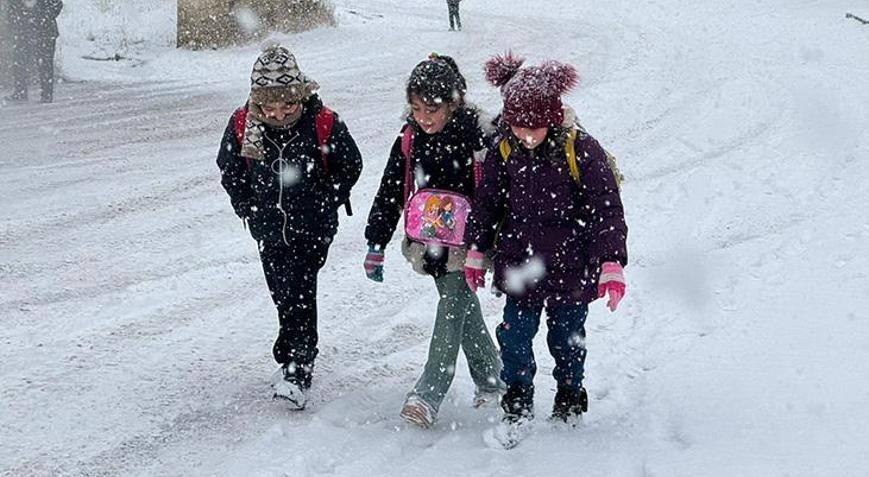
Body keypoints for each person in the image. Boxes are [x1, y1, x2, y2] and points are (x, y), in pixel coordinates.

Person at [464, 53, 629, 431]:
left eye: (534, 127)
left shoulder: (582, 150)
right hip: (519, 266)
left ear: (552, 119)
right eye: (518, 126)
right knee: (515, 339)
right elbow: (487, 202)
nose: (525, 135)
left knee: (567, 339)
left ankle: (570, 396)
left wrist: (611, 262)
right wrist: (476, 250)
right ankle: (518, 398)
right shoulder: (504, 149)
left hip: (572, 269)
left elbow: (606, 208)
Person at [216, 45, 362, 410]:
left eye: (287, 106)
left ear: (300, 96)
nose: (278, 114)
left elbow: (352, 164)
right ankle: (290, 351)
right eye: (269, 108)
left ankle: (299, 365)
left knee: (299, 287)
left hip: (312, 227)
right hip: (267, 227)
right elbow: (229, 169)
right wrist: (245, 204)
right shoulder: (243, 125)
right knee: (281, 290)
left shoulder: (322, 122)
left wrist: (326, 197)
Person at [363, 54, 503, 428]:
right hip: (430, 241)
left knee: (453, 303)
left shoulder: (478, 134)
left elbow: (500, 189)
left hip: (469, 241)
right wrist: (376, 242)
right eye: (416, 108)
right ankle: (492, 380)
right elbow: (391, 190)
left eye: (432, 109)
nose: (424, 117)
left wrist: (500, 241)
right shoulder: (410, 138)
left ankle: (428, 392)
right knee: (460, 305)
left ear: (454, 103)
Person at [6, 0, 63, 103]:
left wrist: (43, 18)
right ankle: (20, 91)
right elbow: (12, 7)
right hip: (24, 31)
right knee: (19, 61)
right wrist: (16, 21)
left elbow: (57, 4)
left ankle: (46, 94)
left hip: (45, 31)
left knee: (45, 63)